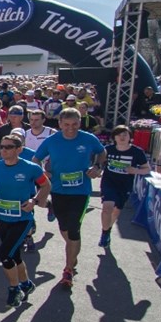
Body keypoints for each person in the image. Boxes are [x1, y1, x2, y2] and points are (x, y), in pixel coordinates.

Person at [33, 108, 106, 290]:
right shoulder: (52, 141)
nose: (70, 129)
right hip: (58, 191)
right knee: (65, 229)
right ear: (60, 124)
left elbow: (102, 152)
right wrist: (43, 173)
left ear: (79, 123)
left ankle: (68, 268)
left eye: (74, 124)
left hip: (81, 192)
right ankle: (73, 253)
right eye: (66, 125)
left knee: (74, 229)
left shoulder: (88, 139)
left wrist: (97, 166)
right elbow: (35, 159)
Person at [0, 133, 50, 307]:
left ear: (19, 149)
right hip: (3, 217)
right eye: (1, 147)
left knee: (4, 254)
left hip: (23, 218)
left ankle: (15, 289)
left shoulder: (31, 168)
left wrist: (34, 201)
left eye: (8, 147)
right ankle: (26, 284)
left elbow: (46, 185)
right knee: (14, 255)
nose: (3, 150)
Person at [98, 126, 150, 249]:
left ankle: (108, 228)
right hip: (109, 182)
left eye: (125, 135)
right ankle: (104, 234)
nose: (122, 137)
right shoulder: (107, 150)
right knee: (107, 207)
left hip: (125, 184)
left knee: (116, 210)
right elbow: (99, 162)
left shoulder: (137, 152)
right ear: (114, 137)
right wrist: (97, 169)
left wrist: (135, 170)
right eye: (119, 135)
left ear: (130, 137)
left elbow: (147, 169)